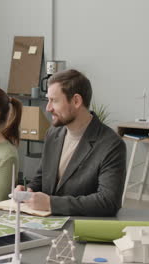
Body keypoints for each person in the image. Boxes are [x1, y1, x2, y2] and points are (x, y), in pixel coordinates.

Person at [15, 69, 126, 216]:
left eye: (54, 100)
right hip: (46, 223)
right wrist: (29, 191)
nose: (48, 108)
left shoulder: (111, 144)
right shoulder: (53, 134)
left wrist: (51, 203)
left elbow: (108, 201)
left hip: (81, 229)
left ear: (76, 101)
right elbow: (42, 178)